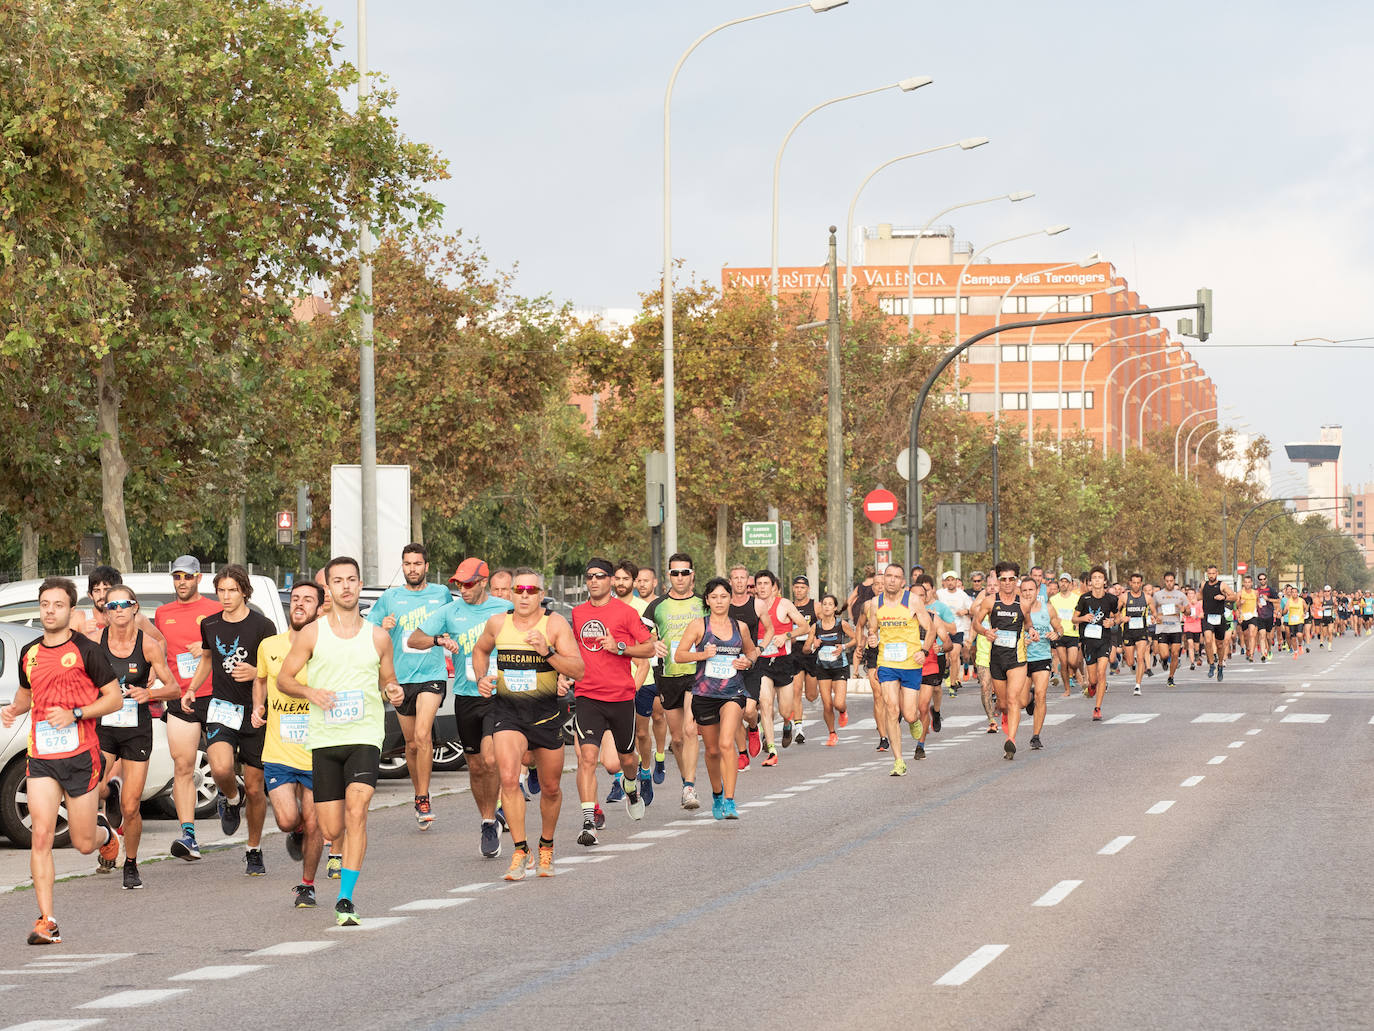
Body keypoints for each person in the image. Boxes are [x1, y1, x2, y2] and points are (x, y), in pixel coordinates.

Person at [277, 557, 404, 926]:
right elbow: (285, 679)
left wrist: (393, 691)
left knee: (358, 809)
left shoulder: (378, 636)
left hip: (364, 734)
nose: (346, 586)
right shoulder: (312, 633)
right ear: (328, 589)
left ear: (360, 585)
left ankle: (346, 899)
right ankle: (326, 843)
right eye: (338, 581)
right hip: (325, 738)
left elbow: (388, 680)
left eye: (352, 579)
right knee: (332, 829)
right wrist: (310, 692)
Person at [3, 578, 122, 944]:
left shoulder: (88, 651)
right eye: (44, 604)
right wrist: (12, 710)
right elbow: (26, 694)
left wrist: (77, 713)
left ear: (71, 610)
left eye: (57, 604)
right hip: (41, 757)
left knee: (83, 842)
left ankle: (107, 835)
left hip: (81, 757)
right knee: (41, 835)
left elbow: (114, 699)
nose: (50, 611)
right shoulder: (30, 653)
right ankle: (47, 920)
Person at [472, 568, 584, 880]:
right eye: (518, 590)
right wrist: (482, 677)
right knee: (508, 779)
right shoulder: (498, 623)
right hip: (507, 714)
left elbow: (578, 669)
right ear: (511, 593)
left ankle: (546, 844)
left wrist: (546, 652)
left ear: (540, 593)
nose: (523, 595)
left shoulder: (555, 624)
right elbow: (480, 650)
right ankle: (520, 850)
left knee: (550, 788)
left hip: (546, 717)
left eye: (530, 590)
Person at [410, 558, 513, 858]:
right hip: (466, 696)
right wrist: (439, 639)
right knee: (476, 765)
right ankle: (487, 820)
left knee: (491, 759)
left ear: (484, 581)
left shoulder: (502, 609)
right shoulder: (450, 611)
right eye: (458, 584)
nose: (463, 589)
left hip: (498, 695)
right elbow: (414, 639)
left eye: (469, 584)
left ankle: (495, 813)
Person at [185, 564, 276, 876]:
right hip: (222, 708)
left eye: (232, 591)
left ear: (244, 592)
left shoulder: (262, 626)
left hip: (255, 711)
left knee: (255, 788)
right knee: (221, 768)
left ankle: (253, 849)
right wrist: (192, 689)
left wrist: (255, 673)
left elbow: (273, 668)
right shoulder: (209, 624)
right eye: (221, 591)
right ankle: (230, 798)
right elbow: (208, 659)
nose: (225, 597)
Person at [94, 585, 179, 889]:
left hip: (136, 729)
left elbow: (174, 689)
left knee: (131, 807)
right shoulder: (95, 642)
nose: (117, 610)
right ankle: (109, 806)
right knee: (91, 790)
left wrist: (149, 692)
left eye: (123, 604)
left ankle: (130, 863)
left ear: (134, 608)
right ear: (106, 612)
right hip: (103, 726)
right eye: (111, 605)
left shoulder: (148, 646)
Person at [366, 543, 454, 830]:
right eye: (407, 564)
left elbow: (453, 622)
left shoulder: (440, 593)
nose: (412, 569)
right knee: (412, 745)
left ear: (426, 566)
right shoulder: (390, 597)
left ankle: (424, 798)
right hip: (400, 678)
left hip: (432, 673)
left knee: (422, 734)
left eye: (417, 563)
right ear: (402, 566)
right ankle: (420, 795)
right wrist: (385, 627)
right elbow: (369, 631)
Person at [570, 558, 654, 845]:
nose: (594, 581)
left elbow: (648, 647)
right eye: (589, 576)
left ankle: (631, 787)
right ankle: (588, 822)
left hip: (620, 697)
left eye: (600, 576)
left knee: (626, 759)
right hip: (587, 695)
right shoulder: (577, 614)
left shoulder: (626, 613)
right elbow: (571, 650)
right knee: (587, 759)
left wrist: (619, 648)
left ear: (610, 581)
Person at [255, 580, 326, 907]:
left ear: (320, 608)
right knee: (287, 820)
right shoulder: (270, 645)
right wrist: (259, 705)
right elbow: (260, 679)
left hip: (317, 753)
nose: (299, 604)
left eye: (307, 600)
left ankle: (307, 885)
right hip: (279, 752)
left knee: (315, 822)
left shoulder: (327, 648)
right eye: (295, 599)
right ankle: (296, 833)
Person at [153, 555, 222, 860]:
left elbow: (233, 648)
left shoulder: (215, 609)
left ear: (199, 579)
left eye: (187, 576)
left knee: (222, 767)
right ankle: (189, 835)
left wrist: (207, 648)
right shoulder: (162, 613)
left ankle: (231, 797)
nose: (182, 581)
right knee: (183, 766)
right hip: (181, 698)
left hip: (216, 695)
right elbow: (158, 656)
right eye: (177, 576)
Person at [675, 577, 758, 819]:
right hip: (704, 693)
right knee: (711, 751)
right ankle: (717, 794)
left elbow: (751, 649)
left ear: (730, 599)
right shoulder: (699, 626)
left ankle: (730, 801)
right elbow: (679, 656)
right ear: (707, 600)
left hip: (733, 692)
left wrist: (748, 660)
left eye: (724, 596)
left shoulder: (739, 626)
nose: (719, 601)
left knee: (725, 744)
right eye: (714, 597)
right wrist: (702, 654)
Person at [641, 554, 705, 802]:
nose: (680, 577)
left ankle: (689, 786)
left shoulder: (703, 603)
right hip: (669, 675)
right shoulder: (657, 606)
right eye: (675, 573)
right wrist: (653, 644)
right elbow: (641, 635)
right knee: (677, 738)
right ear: (669, 575)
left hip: (697, 674)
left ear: (693, 575)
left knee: (690, 730)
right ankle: (686, 780)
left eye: (685, 572)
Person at [864, 563, 930, 776]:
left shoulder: (913, 600)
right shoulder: (875, 603)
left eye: (896, 577)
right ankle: (898, 760)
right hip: (887, 663)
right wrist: (872, 638)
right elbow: (872, 629)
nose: (891, 580)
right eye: (888, 576)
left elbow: (931, 629)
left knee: (909, 713)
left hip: (910, 663)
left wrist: (925, 651)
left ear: (903, 582)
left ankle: (914, 721)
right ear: (883, 579)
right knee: (892, 708)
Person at [972, 562, 1034, 759]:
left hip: (1017, 659)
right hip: (996, 658)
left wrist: (1031, 631)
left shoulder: (1023, 603)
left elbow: (1028, 623)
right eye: (1003, 579)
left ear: (1016, 580)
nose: (1007, 583)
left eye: (1011, 579)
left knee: (1014, 699)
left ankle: (1011, 740)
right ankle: (1026, 701)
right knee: (1003, 703)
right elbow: (976, 622)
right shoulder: (990, 601)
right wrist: (985, 631)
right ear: (998, 580)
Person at [751, 569, 810, 765]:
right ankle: (772, 750)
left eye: (766, 584)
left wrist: (785, 636)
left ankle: (787, 723)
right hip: (762, 663)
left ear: (773, 586)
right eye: (759, 584)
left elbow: (804, 627)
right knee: (766, 704)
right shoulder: (752, 606)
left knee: (785, 710)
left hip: (783, 661)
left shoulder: (784, 604)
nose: (762, 587)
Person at [618, 560, 667, 798]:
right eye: (617, 579)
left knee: (642, 732)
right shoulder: (606, 606)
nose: (621, 583)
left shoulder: (645, 607)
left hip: (644, 676)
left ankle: (646, 770)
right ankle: (621, 778)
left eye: (627, 579)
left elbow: (651, 642)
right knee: (619, 733)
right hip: (614, 678)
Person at [802, 593, 854, 745]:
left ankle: (843, 711)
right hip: (823, 668)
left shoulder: (841, 624)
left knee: (838, 703)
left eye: (830, 604)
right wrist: (813, 645)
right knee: (827, 704)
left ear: (835, 608)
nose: (827, 607)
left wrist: (843, 646)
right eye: (824, 604)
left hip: (840, 667)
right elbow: (805, 649)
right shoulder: (815, 626)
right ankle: (832, 733)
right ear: (821, 607)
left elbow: (857, 639)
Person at [728, 565, 764, 770]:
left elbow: (769, 629)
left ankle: (753, 727)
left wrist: (759, 649)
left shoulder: (756, 605)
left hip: (751, 664)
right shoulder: (723, 604)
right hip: (729, 665)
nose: (740, 581)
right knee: (732, 713)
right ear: (730, 581)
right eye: (736, 578)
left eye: (743, 578)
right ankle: (742, 753)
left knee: (749, 711)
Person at [1021, 577, 1062, 750]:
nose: (1028, 593)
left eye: (1031, 590)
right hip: (1022, 659)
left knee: (1041, 695)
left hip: (1042, 657)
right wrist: (1022, 640)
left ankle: (1036, 736)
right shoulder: (1018, 610)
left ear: (1038, 591)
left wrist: (1056, 635)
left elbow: (1059, 628)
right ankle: (1029, 700)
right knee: (1022, 701)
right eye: (1024, 590)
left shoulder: (1048, 608)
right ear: (1020, 592)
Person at [1073, 567, 1119, 722]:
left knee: (1101, 674)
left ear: (1104, 581)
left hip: (1104, 641)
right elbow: (1074, 619)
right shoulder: (1084, 599)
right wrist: (1083, 618)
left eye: (1100, 577)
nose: (1097, 580)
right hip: (1088, 642)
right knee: (1093, 679)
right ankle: (1092, 686)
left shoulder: (1111, 599)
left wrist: (1112, 622)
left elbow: (1118, 618)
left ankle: (1097, 708)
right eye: (1095, 578)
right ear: (1090, 582)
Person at [787, 575, 818, 744]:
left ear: (807, 589)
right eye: (796, 587)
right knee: (796, 690)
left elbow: (825, 624)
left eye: (802, 587)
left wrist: (816, 640)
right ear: (793, 588)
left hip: (811, 651)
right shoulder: (789, 607)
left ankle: (814, 693)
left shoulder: (815, 606)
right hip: (794, 652)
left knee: (812, 695)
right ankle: (799, 728)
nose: (799, 590)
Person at [936, 571, 972, 697]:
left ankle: (952, 685)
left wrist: (965, 611)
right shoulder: (939, 594)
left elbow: (972, 610)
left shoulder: (962, 595)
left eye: (953, 580)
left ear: (957, 581)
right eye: (948, 580)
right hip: (942, 629)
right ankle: (947, 670)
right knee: (945, 659)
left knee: (954, 655)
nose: (950, 582)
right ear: (944, 582)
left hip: (958, 629)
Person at [1150, 573, 1188, 688]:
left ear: (1174, 581)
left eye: (1171, 581)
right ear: (1164, 581)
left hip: (1175, 627)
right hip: (1162, 628)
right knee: (1164, 654)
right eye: (1167, 581)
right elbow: (1152, 609)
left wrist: (1184, 610)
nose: (1169, 583)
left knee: (1175, 654)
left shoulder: (1181, 595)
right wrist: (1155, 616)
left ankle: (1171, 677)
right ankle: (1164, 661)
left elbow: (1188, 611)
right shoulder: (1157, 595)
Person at [1199, 565, 1237, 681]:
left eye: (1213, 573)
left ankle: (1220, 665)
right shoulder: (1203, 584)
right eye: (1209, 574)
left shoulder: (1222, 585)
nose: (1211, 576)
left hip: (1220, 618)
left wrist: (1224, 597)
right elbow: (1200, 596)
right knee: (1208, 641)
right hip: (1207, 617)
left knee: (1220, 645)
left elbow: (1234, 597)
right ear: (1207, 574)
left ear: (1217, 573)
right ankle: (1211, 664)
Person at [1120, 573, 1151, 697]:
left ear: (1141, 583)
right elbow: (1115, 613)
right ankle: (1129, 662)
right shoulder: (1124, 597)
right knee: (1130, 661)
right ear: (1130, 583)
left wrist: (1154, 618)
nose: (1136, 585)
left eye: (1139, 583)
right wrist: (1122, 618)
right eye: (1134, 583)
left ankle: (1138, 686)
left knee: (1140, 657)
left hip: (1142, 632)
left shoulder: (1147, 598)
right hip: (1128, 632)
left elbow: (1154, 612)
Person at [1050, 574, 1081, 697]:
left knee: (1072, 662)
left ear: (1070, 584)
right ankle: (1067, 689)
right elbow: (1051, 616)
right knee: (1063, 663)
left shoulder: (1076, 598)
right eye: (1061, 581)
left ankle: (1076, 671)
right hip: (1060, 634)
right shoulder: (1054, 599)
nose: (1063, 584)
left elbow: (1080, 613)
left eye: (1066, 582)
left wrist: (1078, 623)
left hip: (1073, 633)